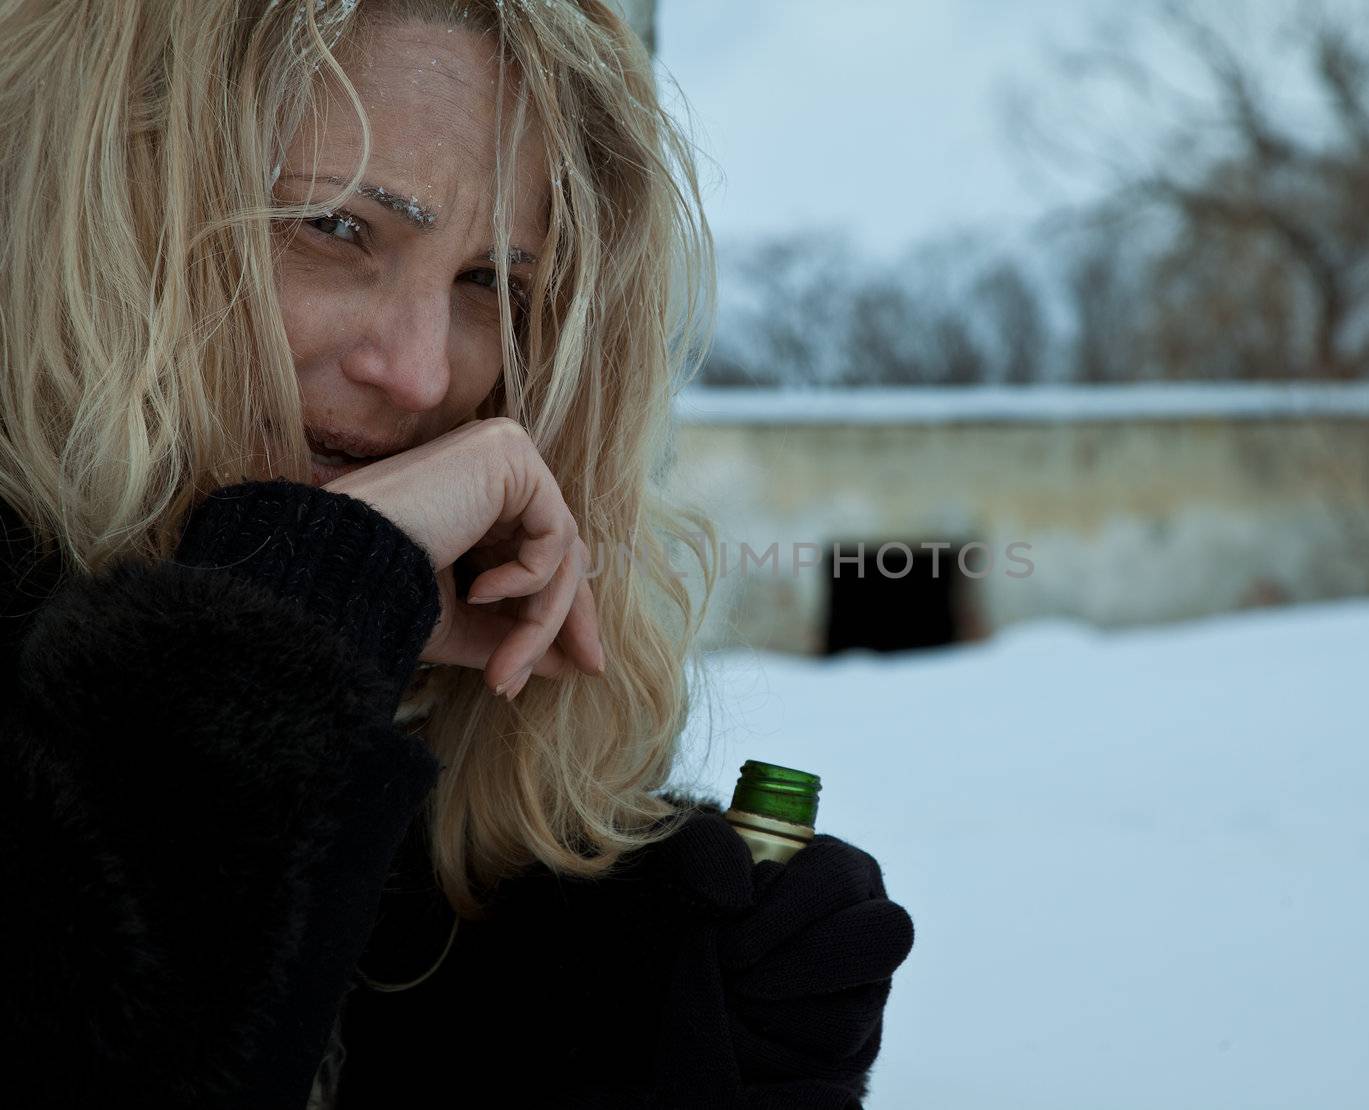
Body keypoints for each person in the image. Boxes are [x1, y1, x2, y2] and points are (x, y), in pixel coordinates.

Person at [0, 1, 914, 1106]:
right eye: (335, 228)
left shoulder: (419, 705)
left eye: (492, 284)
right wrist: (294, 608)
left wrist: (610, 992)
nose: (423, 374)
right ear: (90, 201)